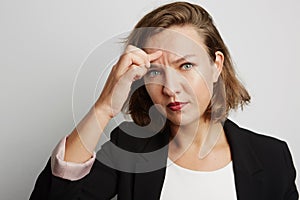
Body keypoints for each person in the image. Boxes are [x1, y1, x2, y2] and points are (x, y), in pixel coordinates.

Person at [30, 1, 298, 200]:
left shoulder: (272, 158)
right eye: (156, 71)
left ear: (216, 65)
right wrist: (104, 108)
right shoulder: (129, 149)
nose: (170, 88)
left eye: (186, 66)